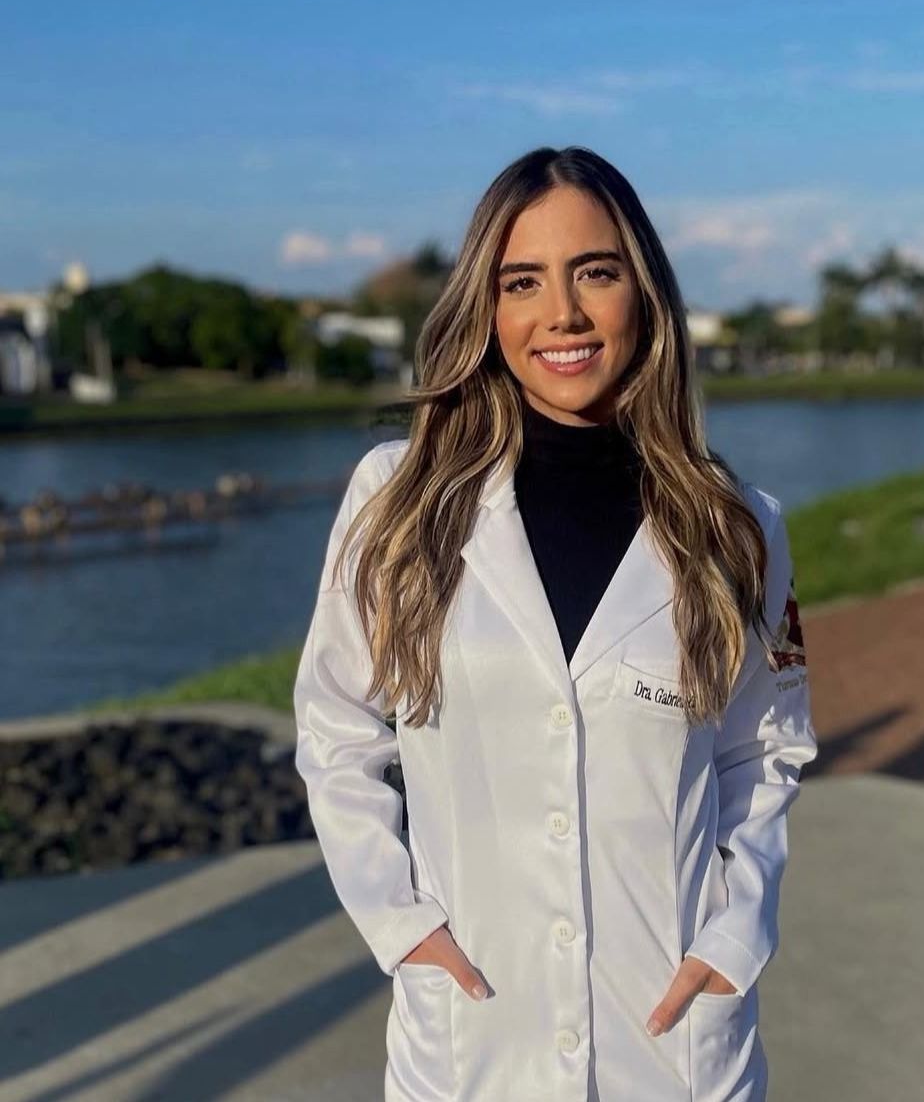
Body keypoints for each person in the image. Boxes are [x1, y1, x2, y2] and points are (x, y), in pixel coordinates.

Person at [293, 145, 819, 1102]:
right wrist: (403, 926)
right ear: (486, 309)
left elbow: (765, 751)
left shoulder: (737, 525)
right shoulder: (397, 500)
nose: (563, 313)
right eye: (522, 281)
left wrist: (736, 938)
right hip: (473, 1037)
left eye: (596, 273)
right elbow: (337, 731)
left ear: (644, 294)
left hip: (673, 1043)